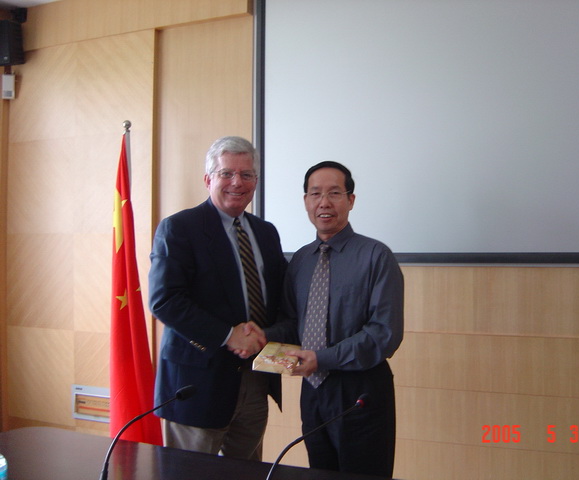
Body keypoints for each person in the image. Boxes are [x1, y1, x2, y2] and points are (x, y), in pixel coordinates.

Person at [148, 136, 287, 460]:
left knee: (247, 471)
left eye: (247, 174)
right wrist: (227, 335)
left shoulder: (266, 232)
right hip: (197, 382)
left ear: (256, 181)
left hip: (256, 377)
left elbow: (279, 298)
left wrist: (268, 336)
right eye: (227, 173)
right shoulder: (179, 228)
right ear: (208, 179)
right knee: (190, 472)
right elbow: (165, 300)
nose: (237, 182)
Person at [265, 161, 404, 477]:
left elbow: (384, 334)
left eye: (334, 193)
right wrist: (262, 336)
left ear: (350, 200)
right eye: (315, 194)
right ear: (306, 201)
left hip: (360, 390)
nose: (324, 202)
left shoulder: (376, 256)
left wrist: (322, 358)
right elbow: (292, 323)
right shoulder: (300, 260)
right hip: (313, 392)